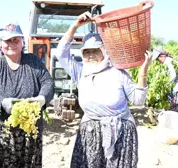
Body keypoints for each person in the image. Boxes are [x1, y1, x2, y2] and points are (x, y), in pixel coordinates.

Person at [56, 11, 153, 168]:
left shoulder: (118, 72)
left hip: (120, 133)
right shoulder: (80, 71)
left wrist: (143, 72)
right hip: (90, 132)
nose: (91, 55)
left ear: (105, 51)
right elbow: (61, 54)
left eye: (96, 51)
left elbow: (138, 101)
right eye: (87, 52)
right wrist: (75, 25)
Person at [0, 23, 54, 168]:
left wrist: (41, 99)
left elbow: (48, 82)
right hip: (1, 134)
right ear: (0, 44)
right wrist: (2, 102)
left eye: (15, 40)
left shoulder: (33, 61)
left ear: (22, 42)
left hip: (29, 133)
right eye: (7, 41)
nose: (11, 44)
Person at [152, 46, 178, 115]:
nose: (158, 61)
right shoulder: (171, 60)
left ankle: (176, 124)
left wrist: (165, 86)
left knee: (176, 109)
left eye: (158, 59)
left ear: (162, 56)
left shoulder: (168, 62)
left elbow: (173, 75)